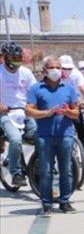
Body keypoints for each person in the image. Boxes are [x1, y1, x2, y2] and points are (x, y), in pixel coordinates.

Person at [25, 56, 80, 215]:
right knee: (46, 171)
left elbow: (76, 113)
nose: (55, 70)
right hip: (44, 136)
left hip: (65, 135)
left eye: (58, 67)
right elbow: (28, 110)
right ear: (45, 70)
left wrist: (67, 112)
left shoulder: (68, 88)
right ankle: (47, 204)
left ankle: (65, 202)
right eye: (52, 67)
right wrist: (46, 113)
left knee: (66, 170)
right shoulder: (36, 88)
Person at [0, 41, 37, 187]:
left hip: (24, 111)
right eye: (12, 57)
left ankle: (38, 166)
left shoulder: (26, 73)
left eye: (18, 57)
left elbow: (35, 91)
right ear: (6, 58)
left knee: (39, 135)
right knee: (15, 140)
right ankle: (16, 173)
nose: (16, 61)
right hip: (6, 113)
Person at [60, 55, 84, 154]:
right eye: (64, 68)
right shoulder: (56, 74)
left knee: (80, 125)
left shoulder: (76, 74)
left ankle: (83, 151)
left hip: (76, 102)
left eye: (69, 68)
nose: (67, 70)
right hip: (60, 103)